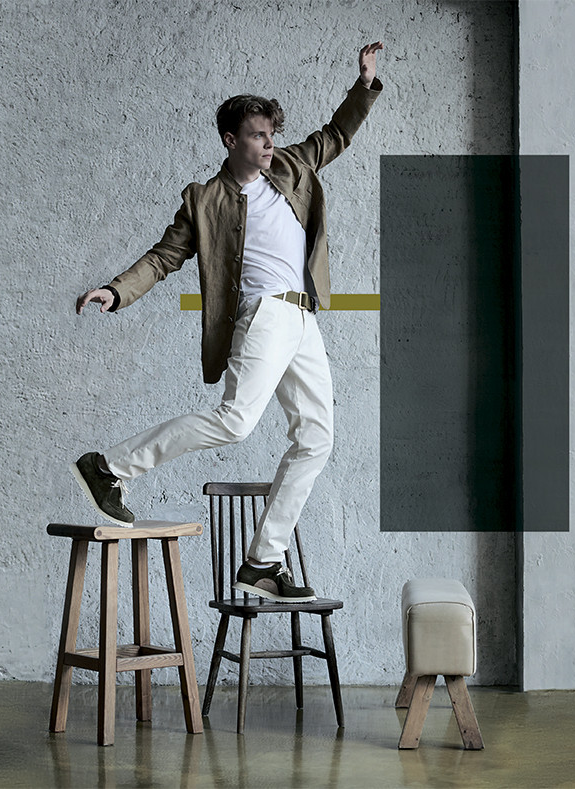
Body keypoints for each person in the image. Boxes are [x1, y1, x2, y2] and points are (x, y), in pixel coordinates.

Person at [71, 42, 385, 603]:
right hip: (264, 314)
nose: (269, 143)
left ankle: (263, 562)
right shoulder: (205, 201)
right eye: (258, 135)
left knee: (316, 439)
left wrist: (364, 85)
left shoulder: (292, 166)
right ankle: (109, 466)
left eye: (271, 133)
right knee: (236, 421)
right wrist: (117, 291)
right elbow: (163, 257)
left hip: (304, 317)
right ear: (230, 140)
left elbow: (336, 134)